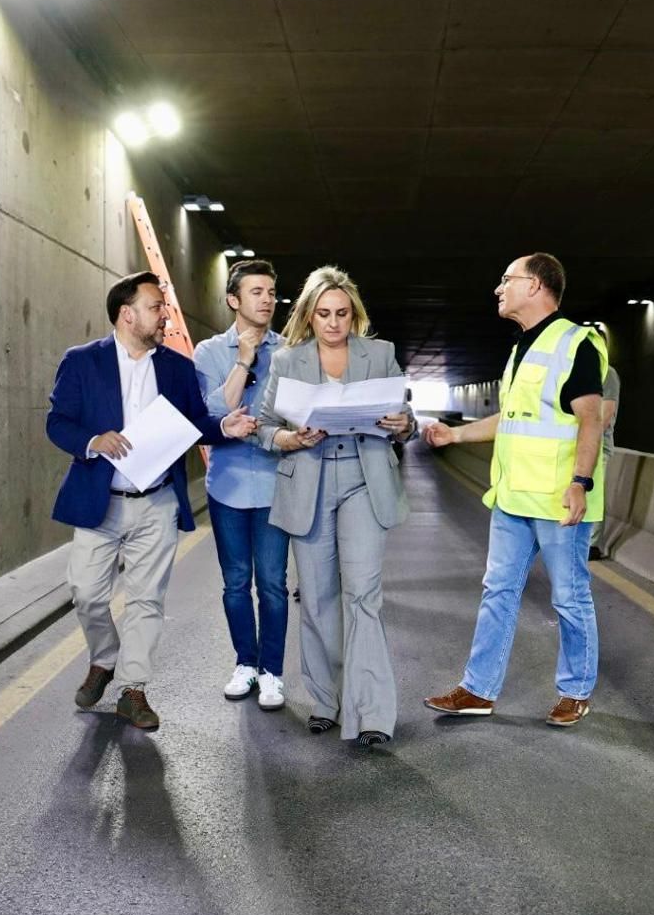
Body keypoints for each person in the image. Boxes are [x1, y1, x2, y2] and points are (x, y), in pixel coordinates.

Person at [47, 271, 258, 731]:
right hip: (99, 501)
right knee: (86, 592)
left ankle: (132, 690)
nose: (164, 313)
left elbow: (197, 422)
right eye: (155, 305)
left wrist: (225, 428)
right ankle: (104, 659)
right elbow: (57, 422)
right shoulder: (83, 362)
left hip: (157, 501)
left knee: (146, 600)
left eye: (163, 306)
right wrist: (92, 440)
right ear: (127, 314)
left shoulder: (177, 368)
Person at [422, 253, 608, 728]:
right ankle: (478, 690)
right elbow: (515, 420)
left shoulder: (576, 343)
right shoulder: (520, 348)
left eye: (507, 279)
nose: (498, 288)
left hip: (558, 499)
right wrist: (456, 435)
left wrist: (580, 483)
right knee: (498, 591)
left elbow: (592, 418)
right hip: (512, 498)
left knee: (569, 597)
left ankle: (575, 691)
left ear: (537, 285)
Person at [255, 266, 416, 746]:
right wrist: (291, 436)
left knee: (363, 595)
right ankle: (327, 700)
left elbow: (407, 419)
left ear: (354, 315)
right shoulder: (288, 361)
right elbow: (265, 427)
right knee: (318, 597)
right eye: (323, 314)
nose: (333, 323)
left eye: (342, 314)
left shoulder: (381, 354)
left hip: (363, 481)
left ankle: (371, 715)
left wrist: (401, 424)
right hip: (309, 478)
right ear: (309, 315)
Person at [192, 260, 290, 711]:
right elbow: (211, 414)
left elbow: (293, 413)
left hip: (275, 483)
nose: (267, 299)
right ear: (234, 299)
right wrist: (244, 360)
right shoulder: (208, 352)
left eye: (271, 292)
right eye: (256, 292)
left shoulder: (290, 352)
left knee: (272, 583)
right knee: (235, 583)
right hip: (227, 484)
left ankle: (272, 672)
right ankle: (244, 664)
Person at [590, 358, 621, 561]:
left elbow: (606, 412)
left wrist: (585, 440)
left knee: (593, 495)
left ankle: (592, 545)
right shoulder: (579, 372)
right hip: (576, 445)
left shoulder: (607, 374)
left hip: (598, 446)